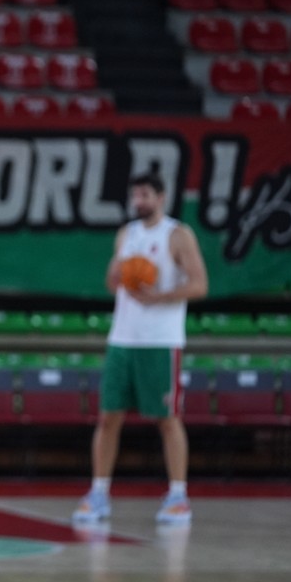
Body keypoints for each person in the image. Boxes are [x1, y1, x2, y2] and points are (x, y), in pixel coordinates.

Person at [73, 172, 209, 527]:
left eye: (146, 194)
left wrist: (159, 295)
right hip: (123, 338)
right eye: (136, 195)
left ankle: (178, 496)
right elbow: (110, 281)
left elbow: (199, 285)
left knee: (167, 419)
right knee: (108, 418)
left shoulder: (178, 235)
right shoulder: (127, 234)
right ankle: (99, 493)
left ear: (161, 197)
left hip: (161, 340)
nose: (140, 201)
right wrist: (124, 274)